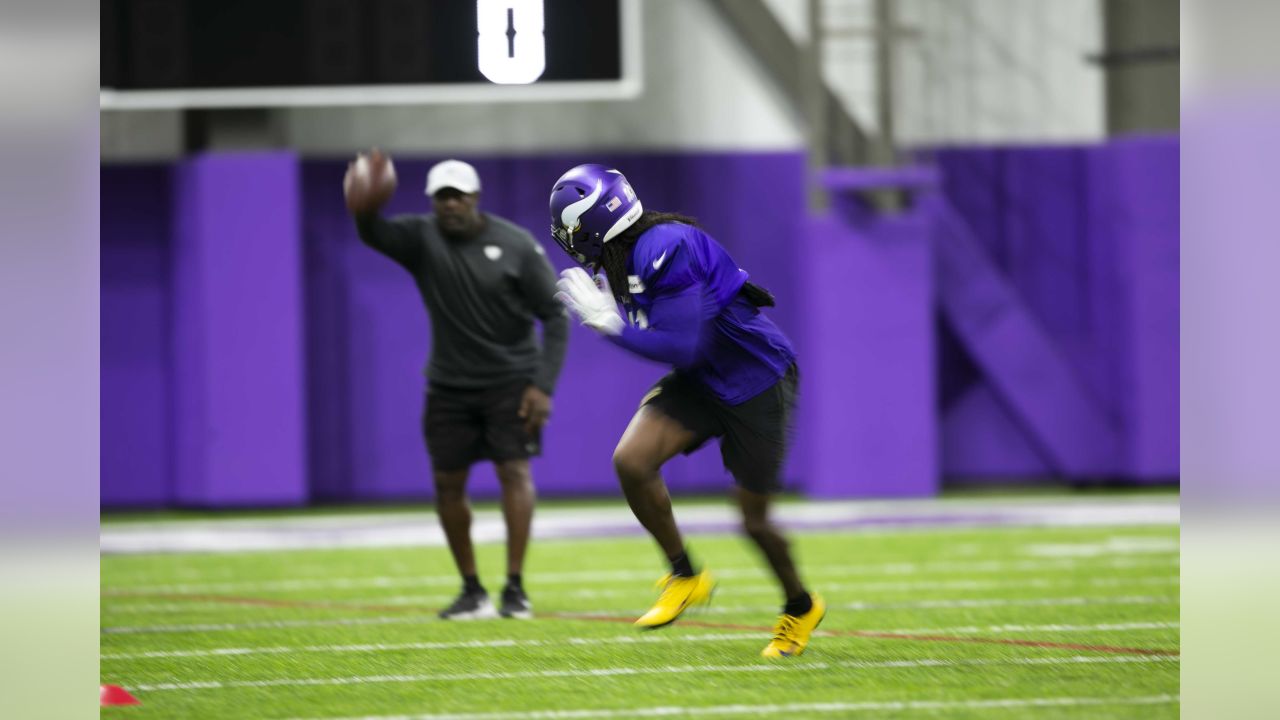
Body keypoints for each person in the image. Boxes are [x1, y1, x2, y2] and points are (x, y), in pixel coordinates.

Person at [548, 164, 825, 657]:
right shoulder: (626, 253)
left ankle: (800, 606)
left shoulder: (664, 247)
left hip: (755, 381)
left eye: (570, 229)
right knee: (632, 461)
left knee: (754, 523)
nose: (567, 240)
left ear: (592, 222)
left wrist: (610, 325)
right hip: (703, 381)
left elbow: (682, 347)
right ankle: (684, 575)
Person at [348, 154, 569, 620]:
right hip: (448, 384)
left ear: (475, 198)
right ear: (432, 201)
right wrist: (363, 203)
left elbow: (554, 315)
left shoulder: (516, 245)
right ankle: (472, 589)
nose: (449, 205)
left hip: (511, 380)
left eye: (457, 196)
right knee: (447, 484)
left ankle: (515, 588)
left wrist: (542, 386)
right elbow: (373, 233)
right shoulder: (421, 237)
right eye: (441, 197)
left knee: (514, 473)